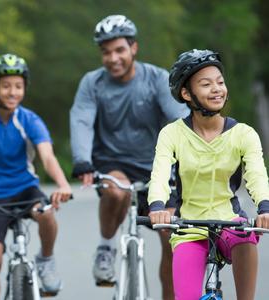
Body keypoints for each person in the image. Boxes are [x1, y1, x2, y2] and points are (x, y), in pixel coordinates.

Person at [69, 14, 189, 299]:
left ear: (133, 48)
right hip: (113, 165)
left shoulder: (157, 78)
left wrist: (191, 154)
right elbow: (82, 120)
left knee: (172, 240)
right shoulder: (92, 83)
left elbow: (179, 119)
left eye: (119, 50)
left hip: (158, 170)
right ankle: (106, 247)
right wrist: (82, 159)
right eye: (106, 52)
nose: (113, 58)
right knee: (115, 192)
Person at [148, 49, 269, 300]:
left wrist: (265, 208)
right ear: (186, 94)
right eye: (206, 84)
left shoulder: (243, 134)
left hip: (230, 221)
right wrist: (158, 206)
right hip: (189, 227)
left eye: (220, 82)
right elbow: (159, 174)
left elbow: (256, 176)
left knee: (246, 237)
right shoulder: (172, 134)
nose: (217, 89)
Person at [0, 53, 72, 300]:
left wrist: (63, 184)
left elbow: (47, 157)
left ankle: (46, 259)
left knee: (46, 213)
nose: (12, 92)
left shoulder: (29, 120)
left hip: (26, 191)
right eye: (6, 86)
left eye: (18, 86)